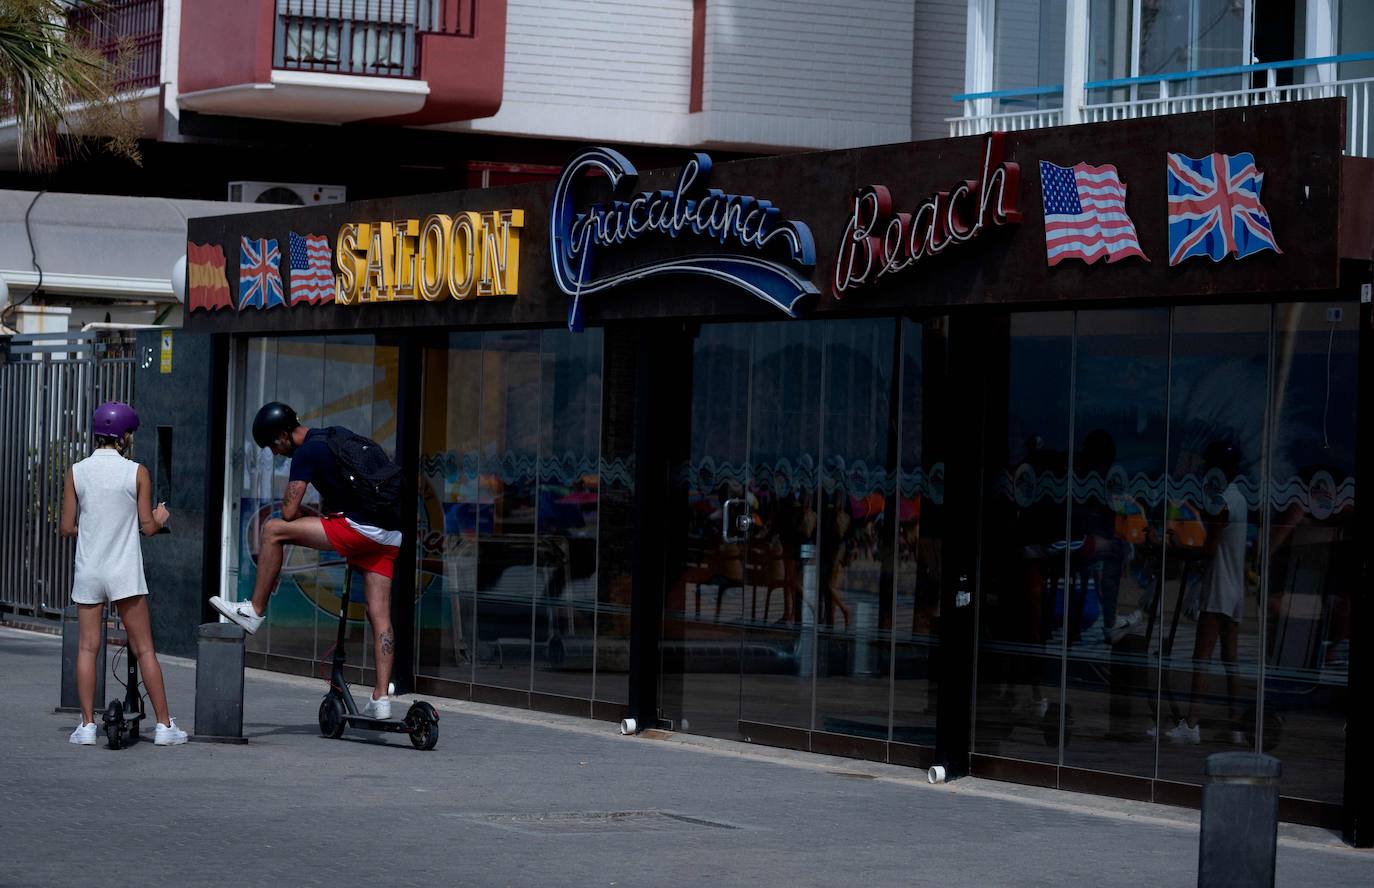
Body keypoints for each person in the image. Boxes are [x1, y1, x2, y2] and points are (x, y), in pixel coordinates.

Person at [209, 402, 403, 719]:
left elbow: (288, 511)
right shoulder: (335, 435)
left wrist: (301, 514)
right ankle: (381, 698)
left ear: (284, 434)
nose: (274, 452)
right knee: (379, 613)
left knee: (273, 530)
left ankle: (254, 611)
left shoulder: (306, 453)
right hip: (390, 534)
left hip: (358, 528)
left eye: (273, 444)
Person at [60, 402, 186, 746]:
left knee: (87, 648)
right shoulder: (136, 472)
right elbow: (147, 527)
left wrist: (92, 525)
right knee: (144, 649)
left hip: (89, 570)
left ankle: (86, 726)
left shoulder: (77, 471)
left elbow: (66, 526)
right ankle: (164, 727)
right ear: (125, 436)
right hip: (124, 571)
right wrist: (161, 517)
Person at [1167, 440, 1248, 745]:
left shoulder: (1223, 502)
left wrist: (1179, 549)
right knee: (1230, 658)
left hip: (1218, 587)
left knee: (1201, 656)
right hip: (1236, 586)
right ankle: (1236, 726)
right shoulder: (1239, 498)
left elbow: (1210, 549)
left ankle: (1191, 724)